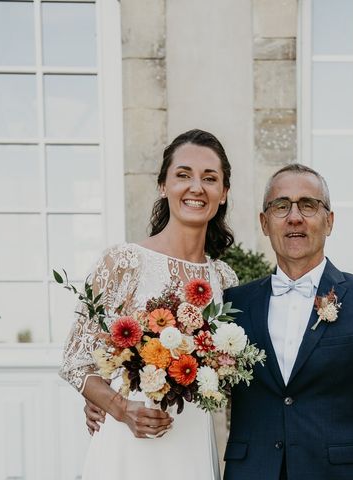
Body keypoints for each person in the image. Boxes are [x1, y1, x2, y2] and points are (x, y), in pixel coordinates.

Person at [59, 129, 239, 480]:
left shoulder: (225, 279)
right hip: (129, 442)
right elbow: (76, 362)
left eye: (210, 178)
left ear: (224, 192)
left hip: (192, 442)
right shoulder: (123, 262)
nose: (196, 187)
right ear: (163, 185)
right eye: (183, 175)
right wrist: (119, 407)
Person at [222, 164, 353, 479]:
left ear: (329, 221)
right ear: (264, 222)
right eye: (281, 206)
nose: (294, 217)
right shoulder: (234, 305)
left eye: (308, 205)